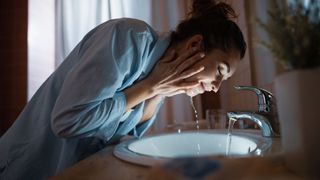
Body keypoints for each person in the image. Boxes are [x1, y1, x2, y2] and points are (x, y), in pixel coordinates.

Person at [0, 0, 246, 179]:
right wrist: (149, 88)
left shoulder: (161, 79)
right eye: (220, 72)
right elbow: (67, 121)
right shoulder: (128, 37)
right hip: (25, 167)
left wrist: (158, 90)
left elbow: (121, 138)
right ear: (195, 45)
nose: (215, 88)